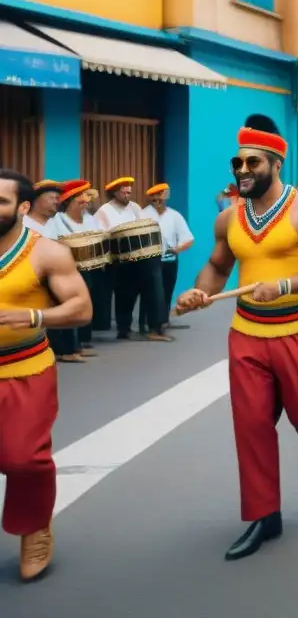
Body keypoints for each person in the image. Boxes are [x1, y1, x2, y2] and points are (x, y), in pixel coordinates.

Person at [174, 128, 298, 561]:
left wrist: (285, 284)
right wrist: (200, 291)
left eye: (253, 162)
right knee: (251, 426)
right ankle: (264, 515)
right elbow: (217, 267)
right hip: (248, 335)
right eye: (238, 163)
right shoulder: (229, 219)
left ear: (276, 164)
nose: (243, 169)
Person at [0, 168, 92, 581]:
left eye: (1, 201)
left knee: (22, 459)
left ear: (22, 207)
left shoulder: (47, 252)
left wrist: (35, 315)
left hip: (25, 368)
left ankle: (35, 527)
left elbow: (81, 308)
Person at [95, 177, 171, 342]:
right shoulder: (104, 211)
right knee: (124, 294)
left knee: (151, 288)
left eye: (129, 192)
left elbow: (142, 228)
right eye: (124, 192)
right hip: (119, 259)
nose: (127, 195)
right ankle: (124, 329)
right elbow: (102, 235)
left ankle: (154, 327)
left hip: (140, 257)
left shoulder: (135, 208)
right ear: (115, 193)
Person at [45, 180, 103, 358]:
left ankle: (80, 343)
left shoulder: (90, 219)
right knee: (68, 306)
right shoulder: (56, 221)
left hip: (86, 269)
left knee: (85, 303)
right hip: (64, 271)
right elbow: (51, 242)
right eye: (82, 196)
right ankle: (64, 349)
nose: (87, 200)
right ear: (70, 200)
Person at [140, 183, 194, 334]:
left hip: (170, 260)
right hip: (150, 261)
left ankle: (163, 321)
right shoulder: (143, 215)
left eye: (162, 196)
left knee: (167, 291)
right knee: (150, 292)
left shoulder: (174, 215)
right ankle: (146, 324)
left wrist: (177, 249)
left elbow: (188, 238)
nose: (158, 200)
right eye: (155, 197)